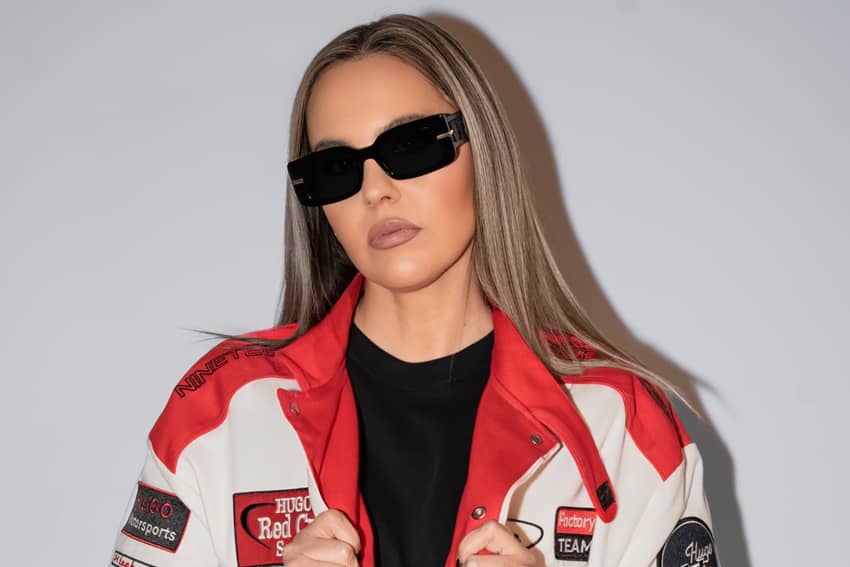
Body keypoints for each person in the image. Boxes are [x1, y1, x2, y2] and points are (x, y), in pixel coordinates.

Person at [109, 13, 719, 567]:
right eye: (337, 168)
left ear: (483, 151)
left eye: (411, 146)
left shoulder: (624, 425)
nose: (375, 190)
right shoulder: (217, 411)